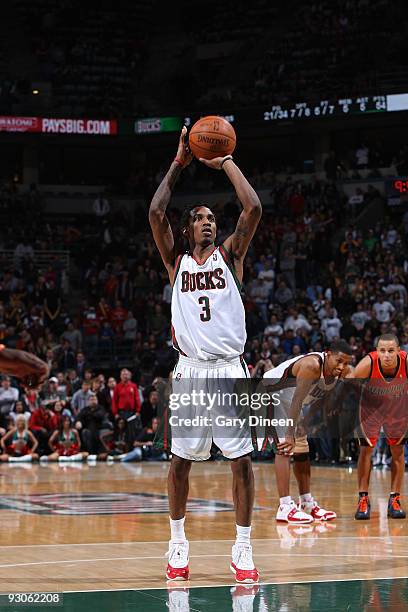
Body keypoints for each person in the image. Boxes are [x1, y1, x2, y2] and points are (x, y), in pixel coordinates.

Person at [149, 126, 262, 583]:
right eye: (200, 218)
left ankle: (243, 550)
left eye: (213, 217)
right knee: (179, 461)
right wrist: (179, 162)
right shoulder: (175, 262)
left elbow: (252, 208)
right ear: (187, 228)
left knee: (242, 461)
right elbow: (156, 211)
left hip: (231, 371)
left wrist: (227, 161)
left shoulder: (231, 256)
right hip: (190, 371)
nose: (210, 222)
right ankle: (177, 544)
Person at [262, 340, 353, 524]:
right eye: (339, 361)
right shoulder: (312, 366)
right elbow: (297, 399)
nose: (342, 366)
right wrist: (289, 434)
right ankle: (284, 507)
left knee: (303, 452)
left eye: (346, 362)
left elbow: (318, 399)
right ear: (327, 354)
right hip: (270, 394)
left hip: (292, 402)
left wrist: (308, 422)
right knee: (285, 447)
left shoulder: (338, 374)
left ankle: (306, 503)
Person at [354, 334, 407, 520]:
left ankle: (395, 498)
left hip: (398, 409)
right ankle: (363, 498)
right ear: (376, 352)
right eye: (382, 351)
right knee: (366, 450)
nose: (387, 355)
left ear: (399, 351)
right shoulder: (368, 363)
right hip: (371, 409)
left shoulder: (406, 362)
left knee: (398, 451)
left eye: (391, 351)